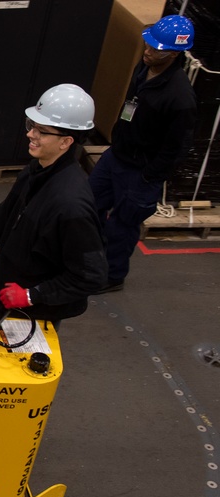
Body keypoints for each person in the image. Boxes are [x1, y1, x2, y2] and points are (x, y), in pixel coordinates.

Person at [0, 84, 108, 324]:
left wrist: (32, 295)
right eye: (31, 126)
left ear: (66, 142)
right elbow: (4, 217)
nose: (30, 134)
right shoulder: (37, 170)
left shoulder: (71, 205)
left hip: (33, 313)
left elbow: (92, 275)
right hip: (7, 296)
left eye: (41, 131)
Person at [88, 14, 197, 293]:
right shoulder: (144, 67)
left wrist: (149, 176)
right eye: (147, 46)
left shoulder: (180, 98)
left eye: (155, 50)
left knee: (122, 227)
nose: (147, 52)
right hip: (117, 155)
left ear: (174, 54)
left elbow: (177, 148)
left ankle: (112, 276)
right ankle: (90, 256)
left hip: (140, 172)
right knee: (88, 204)